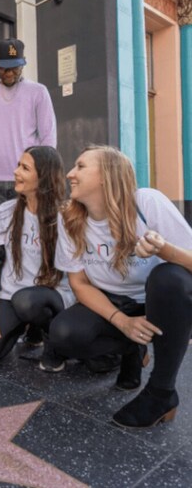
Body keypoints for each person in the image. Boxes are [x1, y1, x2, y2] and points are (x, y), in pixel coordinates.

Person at [51, 145, 192, 428]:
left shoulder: (147, 202)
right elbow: (78, 283)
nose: (69, 174)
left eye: (80, 166)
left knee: (169, 277)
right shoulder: (69, 218)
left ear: (106, 175)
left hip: (160, 303)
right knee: (64, 334)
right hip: (111, 301)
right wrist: (123, 322)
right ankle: (133, 349)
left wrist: (164, 250)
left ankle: (161, 393)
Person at [0, 146, 75, 371]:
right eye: (18, 165)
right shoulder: (6, 211)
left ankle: (52, 342)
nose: (16, 172)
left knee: (27, 301)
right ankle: (27, 327)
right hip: (12, 296)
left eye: (25, 168)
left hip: (53, 296)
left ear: (43, 176)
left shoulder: (65, 216)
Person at [0, 38, 57, 239]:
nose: (8, 73)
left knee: (29, 241)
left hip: (27, 181)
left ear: (23, 64)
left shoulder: (38, 92)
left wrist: (42, 177)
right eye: (3, 68)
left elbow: (48, 138)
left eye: (14, 68)